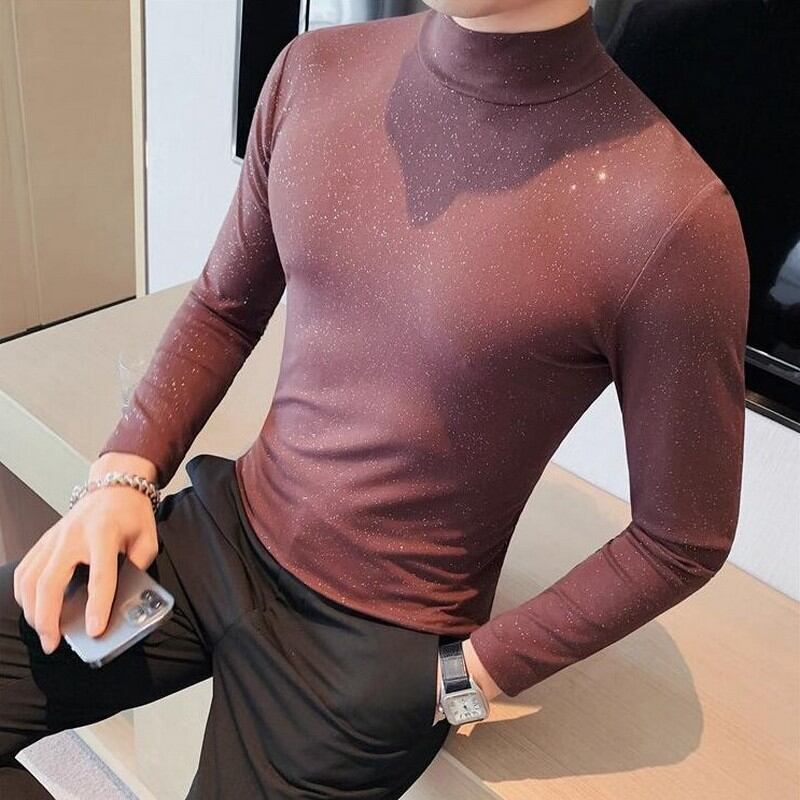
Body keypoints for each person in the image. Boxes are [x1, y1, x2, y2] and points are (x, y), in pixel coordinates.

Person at [0, 0, 750, 796]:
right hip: (229, 527)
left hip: (374, 644)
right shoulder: (315, 70)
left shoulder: (670, 214)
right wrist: (121, 472)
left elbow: (681, 539)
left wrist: (465, 680)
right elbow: (225, 305)